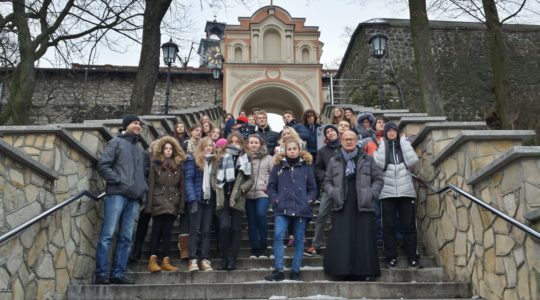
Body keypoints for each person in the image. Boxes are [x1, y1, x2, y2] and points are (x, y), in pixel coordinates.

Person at [95, 115, 149, 285]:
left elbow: (142, 173)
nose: (138, 126)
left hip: (134, 198)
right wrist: (117, 180)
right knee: (108, 234)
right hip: (117, 194)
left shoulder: (140, 149)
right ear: (126, 125)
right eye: (135, 123)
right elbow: (103, 165)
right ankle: (102, 274)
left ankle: (117, 273)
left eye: (140, 124)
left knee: (126, 237)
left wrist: (142, 190)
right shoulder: (116, 142)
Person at [322, 130, 384, 280]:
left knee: (364, 239)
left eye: (352, 139)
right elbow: (326, 181)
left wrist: (371, 193)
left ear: (357, 140)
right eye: (346, 139)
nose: (349, 142)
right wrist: (333, 192)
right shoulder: (334, 160)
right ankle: (340, 271)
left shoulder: (367, 159)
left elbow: (378, 179)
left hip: (363, 203)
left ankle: (366, 272)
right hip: (342, 203)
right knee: (342, 238)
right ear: (341, 141)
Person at [265, 139, 317, 281]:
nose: (292, 151)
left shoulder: (306, 167)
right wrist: (276, 200)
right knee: (278, 236)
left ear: (299, 150)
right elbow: (271, 187)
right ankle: (278, 270)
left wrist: (308, 201)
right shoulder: (278, 167)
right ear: (285, 150)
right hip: (282, 209)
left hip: (302, 209)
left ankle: (295, 271)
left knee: (299, 240)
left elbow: (313, 188)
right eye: (290, 149)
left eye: (295, 148)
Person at [374, 122, 421, 269]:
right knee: (388, 227)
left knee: (409, 226)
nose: (392, 133)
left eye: (394, 131)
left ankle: (413, 258)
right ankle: (391, 258)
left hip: (406, 191)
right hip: (387, 193)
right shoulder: (382, 146)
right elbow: (379, 164)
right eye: (389, 131)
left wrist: (404, 142)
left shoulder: (404, 145)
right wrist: (383, 145)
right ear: (385, 133)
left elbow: (413, 161)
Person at [211, 131, 254, 270]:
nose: (234, 144)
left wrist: (241, 190)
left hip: (237, 199)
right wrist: (216, 188)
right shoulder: (221, 157)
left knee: (236, 229)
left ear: (242, 143)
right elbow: (213, 175)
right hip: (222, 197)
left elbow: (251, 179)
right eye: (232, 141)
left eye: (237, 141)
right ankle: (223, 258)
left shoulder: (246, 158)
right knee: (224, 227)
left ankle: (232, 259)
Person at [145, 136, 186, 273]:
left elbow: (181, 186)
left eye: (170, 149)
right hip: (158, 200)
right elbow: (151, 184)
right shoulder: (155, 165)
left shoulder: (178, 166)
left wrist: (181, 206)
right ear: (162, 150)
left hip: (172, 202)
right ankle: (152, 259)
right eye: (166, 148)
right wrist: (148, 206)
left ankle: (165, 260)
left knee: (168, 231)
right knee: (156, 230)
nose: (168, 151)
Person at [304, 124, 340, 256]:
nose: (330, 133)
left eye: (332, 130)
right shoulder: (322, 151)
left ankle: (340, 243)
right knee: (322, 216)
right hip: (329, 188)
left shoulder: (345, 147)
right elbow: (317, 168)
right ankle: (316, 244)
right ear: (325, 136)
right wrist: (325, 177)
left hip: (345, 187)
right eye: (328, 132)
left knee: (340, 217)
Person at [184, 137, 218, 272]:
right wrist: (192, 199)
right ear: (201, 147)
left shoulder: (215, 162)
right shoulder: (193, 160)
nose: (208, 148)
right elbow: (189, 180)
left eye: (211, 146)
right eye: (206, 145)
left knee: (206, 231)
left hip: (209, 200)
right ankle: (192, 259)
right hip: (197, 199)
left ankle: (205, 259)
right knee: (194, 230)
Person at [245, 134, 274, 258]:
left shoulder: (268, 158)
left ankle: (263, 246)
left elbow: (274, 175)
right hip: (247, 193)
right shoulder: (244, 157)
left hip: (263, 192)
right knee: (251, 221)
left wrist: (268, 187)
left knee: (261, 214)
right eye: (251, 142)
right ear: (247, 144)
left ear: (261, 144)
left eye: (256, 142)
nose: (253, 145)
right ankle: (255, 248)